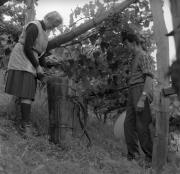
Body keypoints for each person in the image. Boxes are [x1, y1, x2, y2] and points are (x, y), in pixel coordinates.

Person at [5, 11, 63, 134]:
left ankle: (22, 122)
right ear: (47, 18)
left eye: (54, 27)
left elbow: (40, 52)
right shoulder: (34, 26)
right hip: (22, 57)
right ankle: (24, 125)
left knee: (28, 93)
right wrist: (37, 67)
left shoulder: (45, 32)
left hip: (31, 58)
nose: (52, 28)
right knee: (27, 92)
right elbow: (27, 47)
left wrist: (45, 67)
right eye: (52, 25)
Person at [121, 31, 154, 164]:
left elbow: (149, 79)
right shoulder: (133, 57)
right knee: (128, 124)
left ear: (133, 43)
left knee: (142, 126)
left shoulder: (144, 56)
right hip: (132, 90)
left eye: (126, 44)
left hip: (141, 90)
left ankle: (150, 158)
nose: (126, 47)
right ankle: (133, 155)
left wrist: (142, 98)